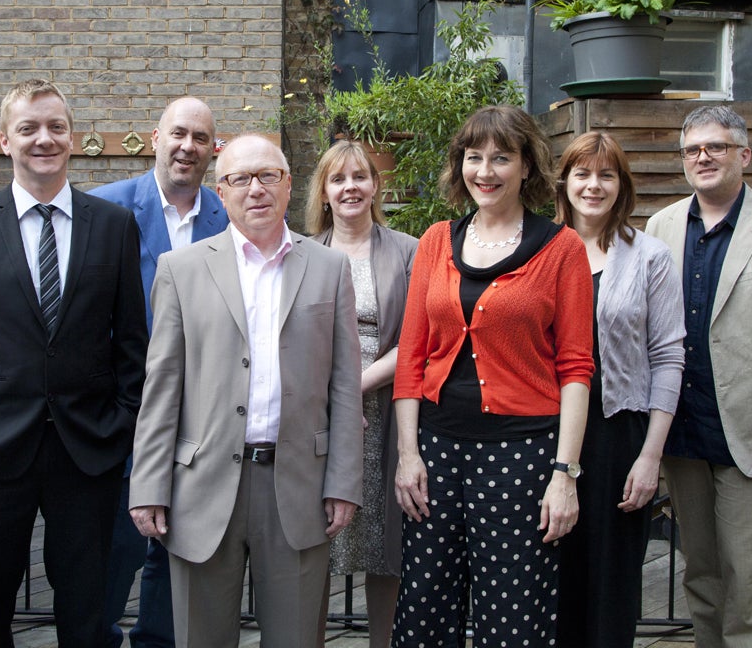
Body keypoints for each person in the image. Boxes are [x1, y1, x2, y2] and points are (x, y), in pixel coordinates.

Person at [0, 79, 148, 648]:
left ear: (72, 137)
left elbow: (132, 344)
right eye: (28, 128)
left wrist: (121, 424)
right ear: (4, 140)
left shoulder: (113, 225)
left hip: (87, 450)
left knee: (85, 615)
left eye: (55, 127)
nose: (43, 139)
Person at [128, 134, 364, 648]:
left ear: (287, 184)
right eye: (240, 178)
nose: (255, 189)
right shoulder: (181, 270)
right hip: (203, 487)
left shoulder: (328, 269)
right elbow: (162, 385)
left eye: (268, 176)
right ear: (221, 189)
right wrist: (148, 485)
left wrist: (343, 480)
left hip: (298, 485)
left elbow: (345, 385)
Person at [392, 104, 594, 647]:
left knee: (513, 608)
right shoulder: (436, 240)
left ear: (527, 167)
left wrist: (564, 473)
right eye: (474, 157)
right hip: (436, 449)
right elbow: (412, 356)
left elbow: (576, 368)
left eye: (502, 158)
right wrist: (408, 456)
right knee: (425, 602)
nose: (485, 171)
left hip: (521, 455)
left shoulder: (562, 249)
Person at [645, 105, 752, 648]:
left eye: (715, 147)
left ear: (744, 154)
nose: (703, 157)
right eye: (692, 149)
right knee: (701, 575)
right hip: (683, 432)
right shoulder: (662, 226)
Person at [90, 96, 228, 648]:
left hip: (200, 417)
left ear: (213, 151)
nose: (187, 147)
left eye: (200, 139)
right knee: (114, 548)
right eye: (178, 134)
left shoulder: (227, 213)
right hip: (123, 414)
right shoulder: (105, 208)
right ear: (155, 137)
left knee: (176, 553)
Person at [553, 131, 686, 648]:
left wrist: (651, 456)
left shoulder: (650, 256)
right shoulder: (539, 249)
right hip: (545, 433)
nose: (593, 185)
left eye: (606, 175)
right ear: (564, 181)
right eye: (583, 173)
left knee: (612, 580)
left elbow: (669, 357)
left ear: (621, 186)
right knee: (550, 569)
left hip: (618, 437)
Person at [306, 139, 417, 648]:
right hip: (318, 416)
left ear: (376, 186)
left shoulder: (410, 250)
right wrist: (335, 401)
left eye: (360, 177)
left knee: (387, 545)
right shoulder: (300, 254)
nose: (350, 187)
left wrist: (354, 392)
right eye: (338, 179)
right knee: (314, 543)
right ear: (323, 192)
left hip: (391, 413)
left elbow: (419, 341)